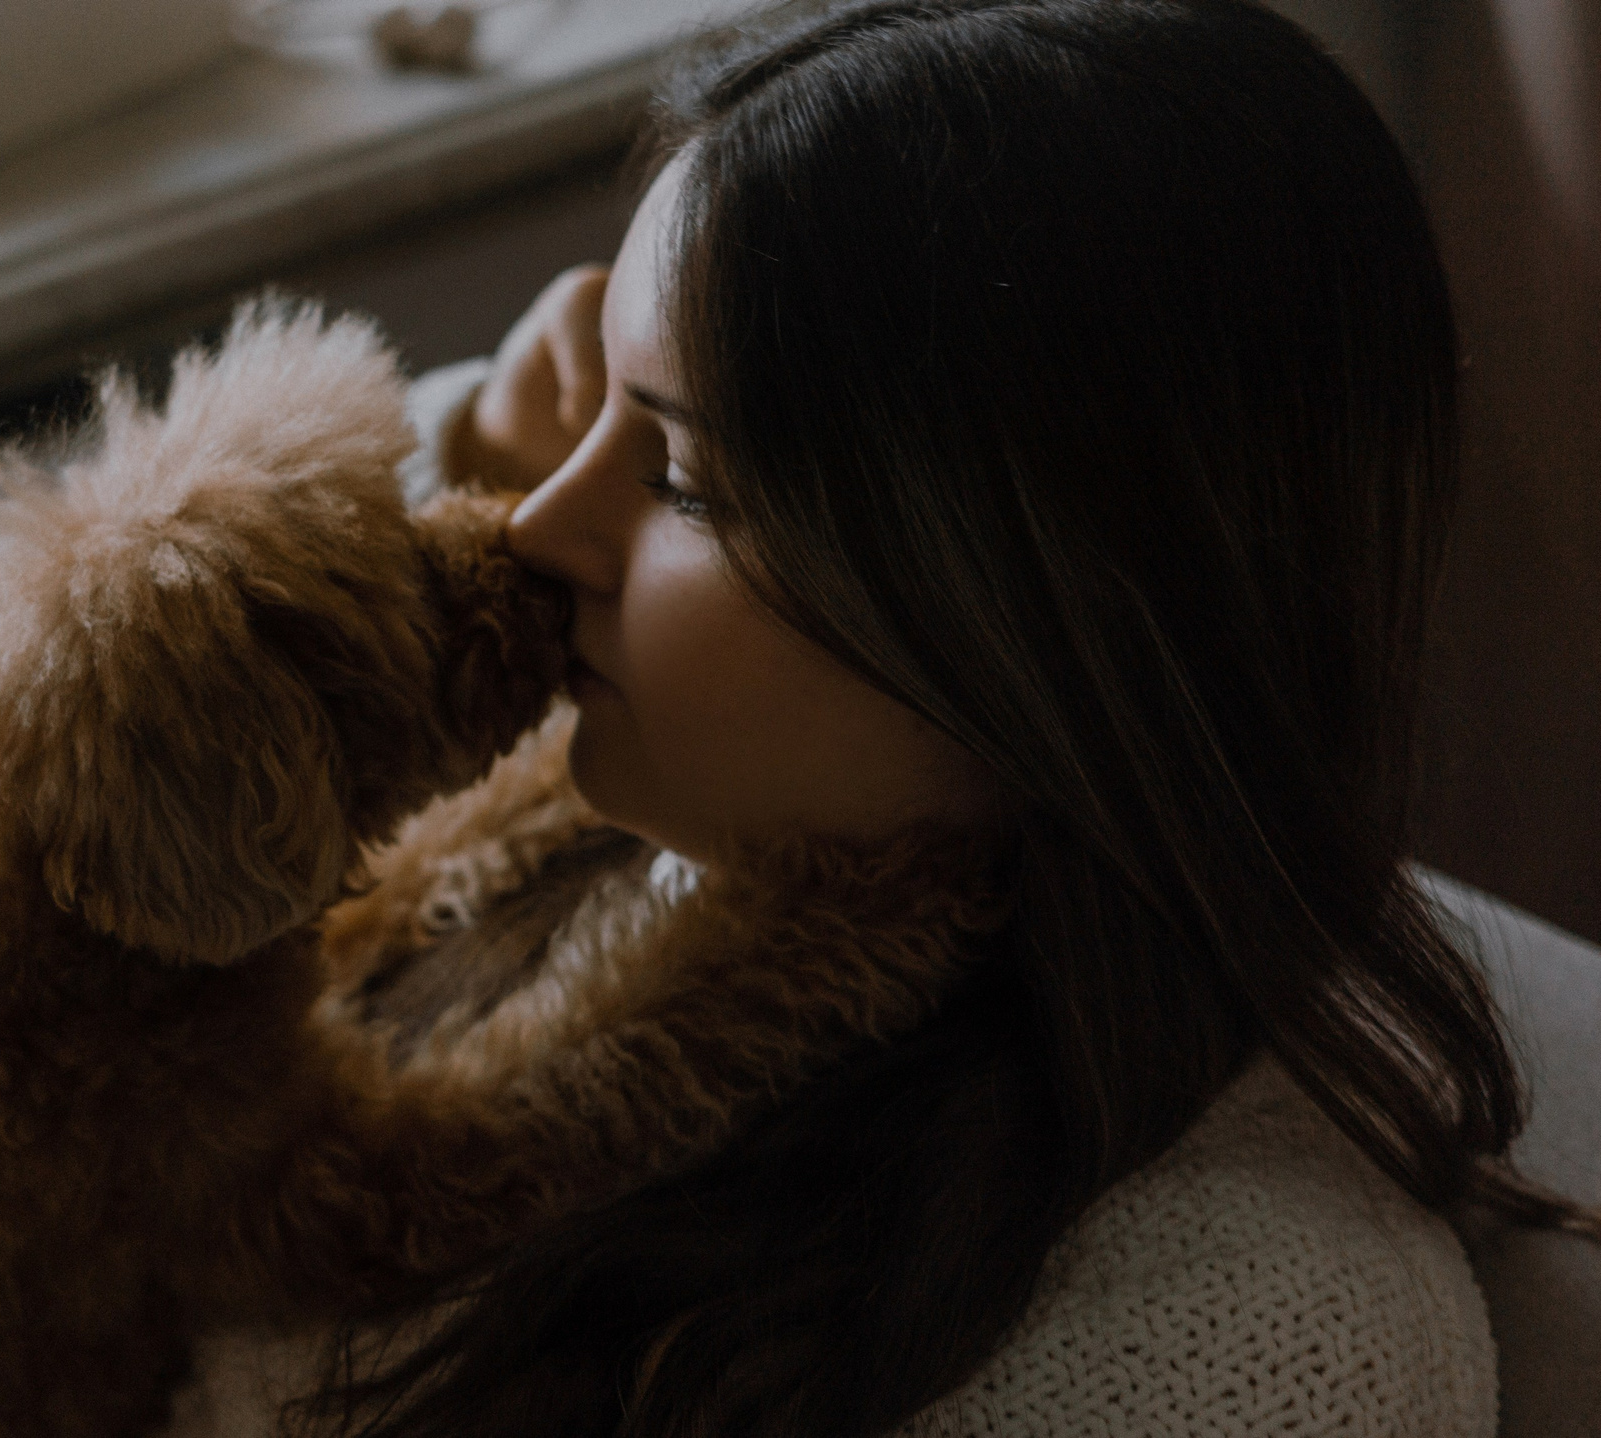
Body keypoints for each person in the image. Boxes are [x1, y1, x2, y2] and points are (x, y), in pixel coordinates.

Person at [293, 0, 1601, 1434]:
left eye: (679, 477)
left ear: (1035, 620)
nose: (539, 525)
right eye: (597, 403)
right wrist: (473, 422)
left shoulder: (1232, 1339)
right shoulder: (633, 831)